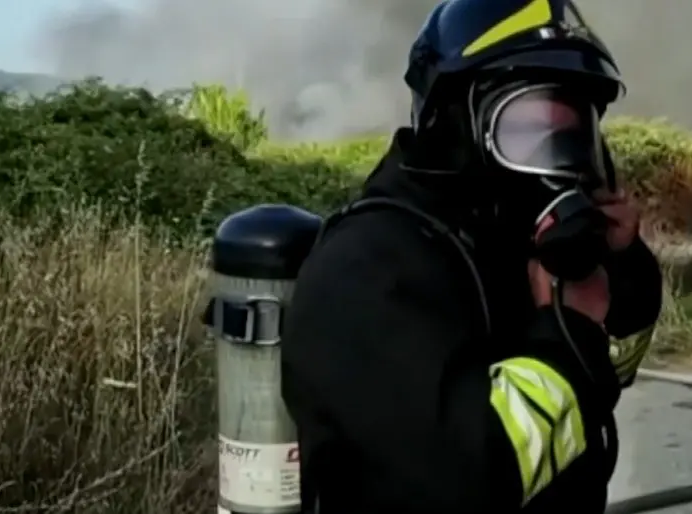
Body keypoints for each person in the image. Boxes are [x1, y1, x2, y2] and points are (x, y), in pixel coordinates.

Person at [279, 0, 663, 512]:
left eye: (571, 138)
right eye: (526, 131)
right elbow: (469, 482)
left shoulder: (510, 240)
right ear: (453, 126)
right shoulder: (369, 271)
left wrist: (622, 267)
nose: (558, 163)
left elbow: (608, 372)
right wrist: (569, 334)